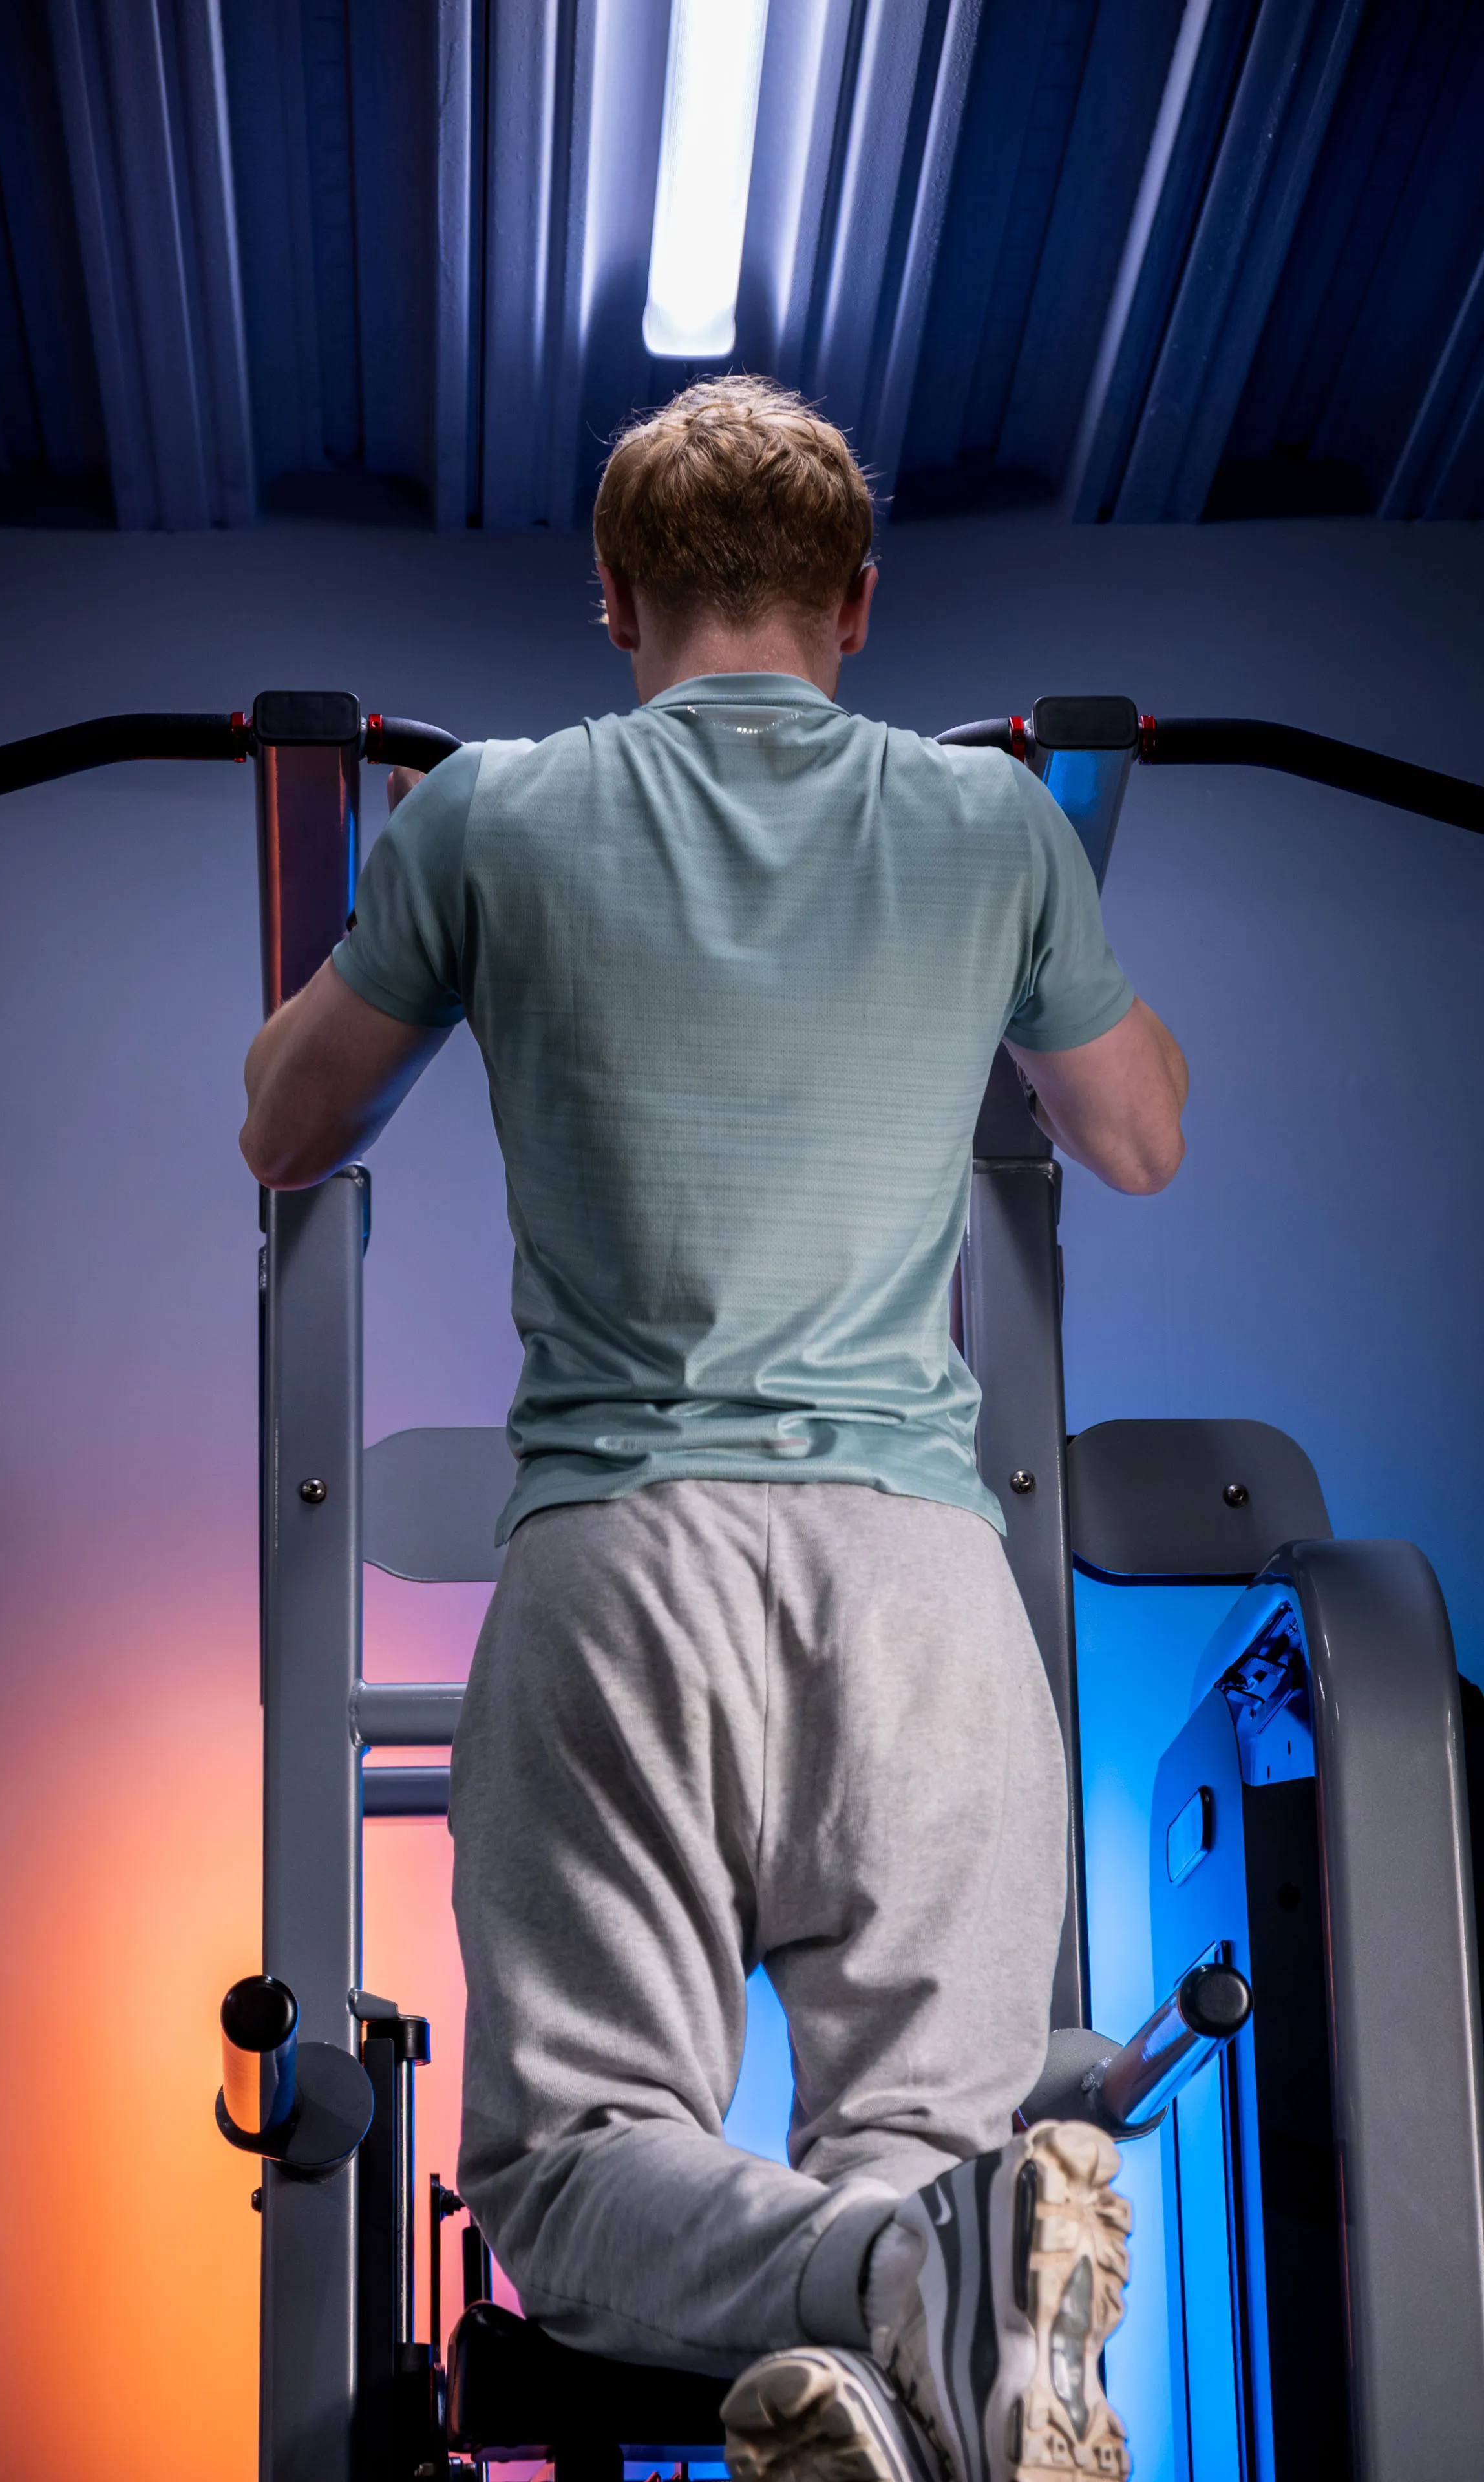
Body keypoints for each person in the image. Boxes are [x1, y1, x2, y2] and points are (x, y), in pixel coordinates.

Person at [240, 376, 1186, 2482]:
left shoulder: (492, 809)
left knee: (577, 2174)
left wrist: (415, 939)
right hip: (922, 1590)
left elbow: (285, 1123)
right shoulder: (994, 826)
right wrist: (1014, 918)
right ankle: (913, 2289)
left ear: (613, 604)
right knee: (948, 2166)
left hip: (629, 1560)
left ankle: (878, 2302)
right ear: (856, 606)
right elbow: (1136, 1136)